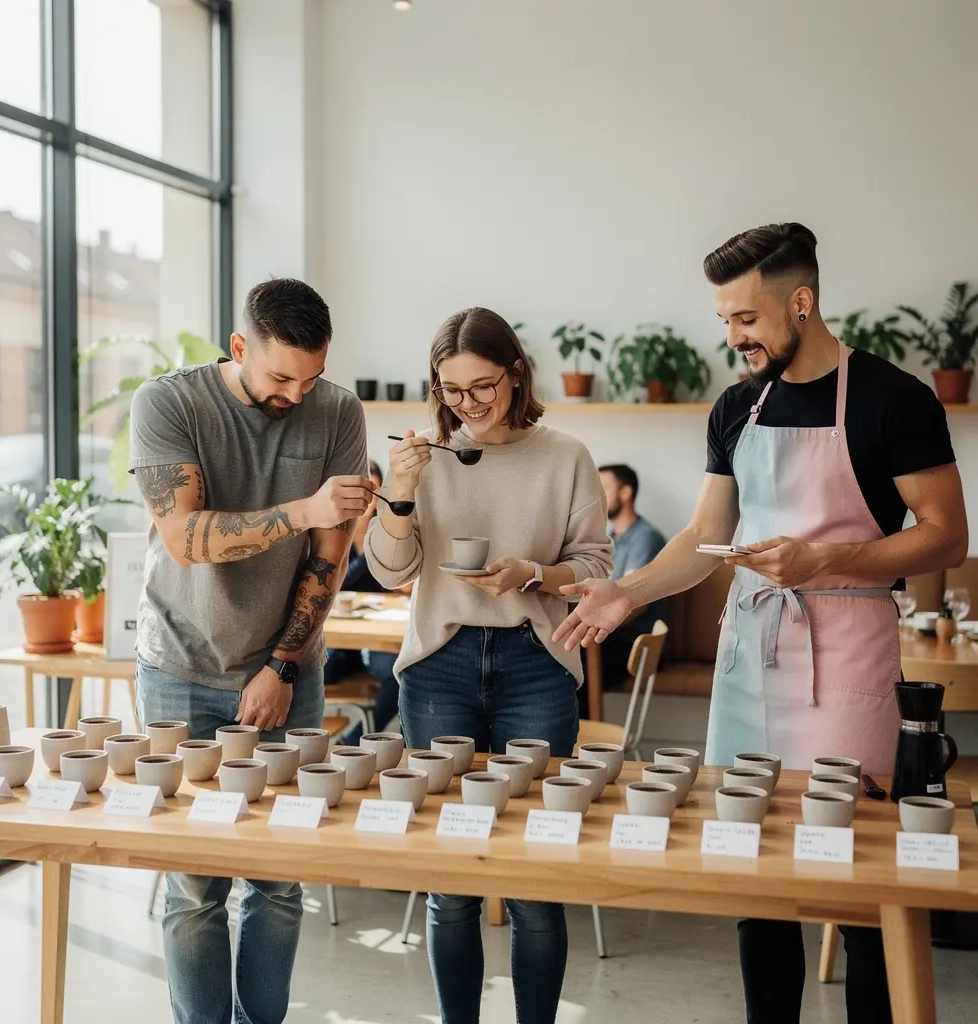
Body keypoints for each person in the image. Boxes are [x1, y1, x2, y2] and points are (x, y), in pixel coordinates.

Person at [554, 223, 967, 1024]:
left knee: (858, 870)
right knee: (749, 865)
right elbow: (707, 537)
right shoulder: (738, 407)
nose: (734, 337)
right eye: (725, 322)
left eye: (745, 319)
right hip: (753, 658)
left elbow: (947, 534)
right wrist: (627, 592)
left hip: (846, 655)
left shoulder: (894, 399)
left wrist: (824, 560)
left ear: (801, 302)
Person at [129, 277, 373, 1024]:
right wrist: (302, 507)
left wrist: (282, 665)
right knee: (195, 883)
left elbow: (327, 560)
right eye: (280, 377)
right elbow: (186, 538)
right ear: (240, 348)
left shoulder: (337, 410)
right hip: (178, 664)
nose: (298, 394)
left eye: (312, 376)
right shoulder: (168, 404)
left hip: (286, 672)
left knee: (278, 873)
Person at [365, 307, 613, 1024]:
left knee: (537, 873)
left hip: (535, 663)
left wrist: (530, 573)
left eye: (482, 387)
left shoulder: (564, 456)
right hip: (440, 664)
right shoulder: (424, 459)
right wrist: (401, 497)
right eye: (450, 390)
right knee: (452, 877)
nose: (466, 405)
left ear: (516, 375)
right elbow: (388, 572)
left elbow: (597, 566)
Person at [577, 464, 668, 718]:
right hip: (612, 640)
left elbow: (635, 603)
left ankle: (580, 743)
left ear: (625, 493)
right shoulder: (610, 539)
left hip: (635, 644)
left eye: (603, 489)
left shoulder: (645, 538)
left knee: (572, 669)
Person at [324, 458, 400, 737]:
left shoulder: (391, 534)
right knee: (316, 670)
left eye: (372, 491)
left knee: (398, 673)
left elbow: (403, 585)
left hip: (377, 635)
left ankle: (354, 742)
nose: (365, 500)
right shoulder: (331, 534)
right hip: (341, 636)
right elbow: (331, 581)